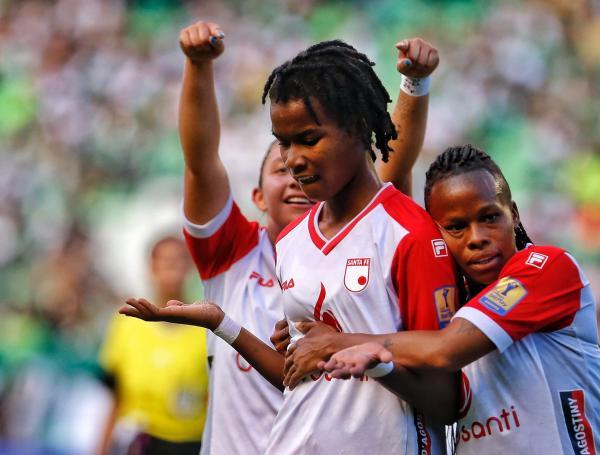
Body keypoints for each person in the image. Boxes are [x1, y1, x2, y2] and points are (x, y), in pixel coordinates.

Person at [120, 30, 458, 454]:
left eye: (308, 140)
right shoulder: (271, 247)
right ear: (256, 196)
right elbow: (299, 374)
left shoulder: (404, 232)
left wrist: (365, 357)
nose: (294, 162)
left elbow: (446, 396)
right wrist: (223, 323)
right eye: (282, 150)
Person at [320, 145, 600, 454]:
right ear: (437, 235)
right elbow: (445, 408)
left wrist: (335, 342)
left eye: (490, 217)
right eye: (456, 227)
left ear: (515, 215)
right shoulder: (450, 304)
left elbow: (444, 350)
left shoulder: (547, 268)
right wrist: (376, 365)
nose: (477, 237)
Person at [98, 236, 209, 455]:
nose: (171, 267)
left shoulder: (206, 327)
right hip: (135, 443)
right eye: (164, 260)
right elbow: (115, 397)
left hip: (187, 444)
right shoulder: (126, 323)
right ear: (151, 267)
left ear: (189, 267)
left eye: (178, 260)